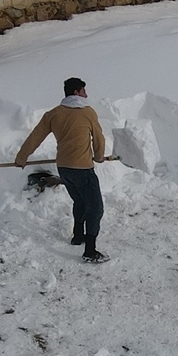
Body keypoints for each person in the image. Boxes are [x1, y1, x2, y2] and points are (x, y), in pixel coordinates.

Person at [16, 77, 109, 263]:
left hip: (64, 169)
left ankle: (78, 236)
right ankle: (90, 251)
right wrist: (99, 156)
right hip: (83, 169)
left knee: (80, 201)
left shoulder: (53, 114)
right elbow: (99, 138)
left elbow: (35, 137)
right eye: (83, 91)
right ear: (76, 92)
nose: (86, 95)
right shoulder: (88, 112)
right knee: (95, 208)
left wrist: (22, 157)